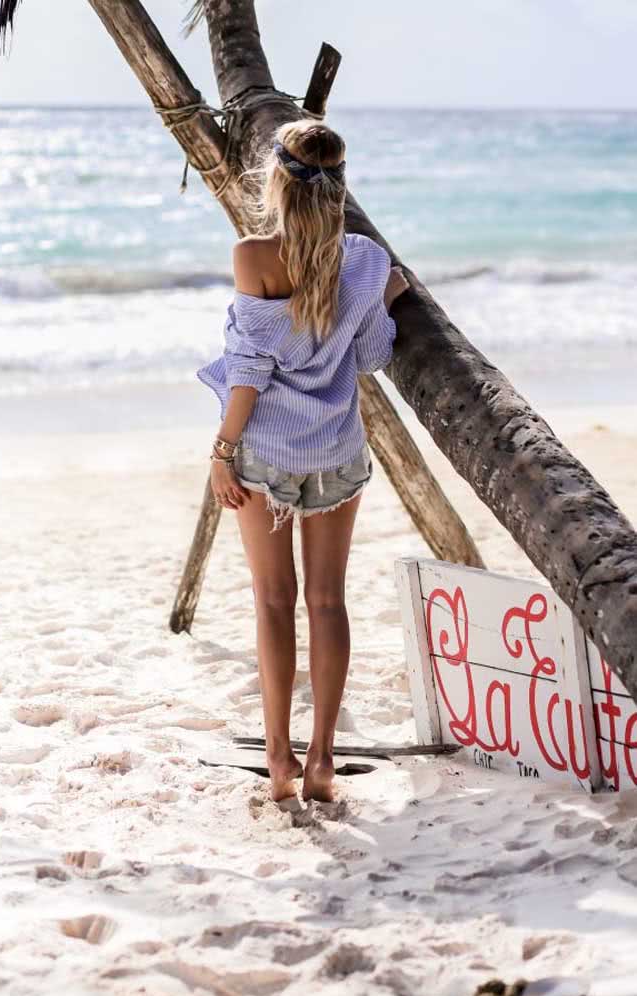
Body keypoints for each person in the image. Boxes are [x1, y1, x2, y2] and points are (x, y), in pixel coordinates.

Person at [196, 119, 409, 802]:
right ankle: (321, 760)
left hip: (264, 456)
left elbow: (250, 369)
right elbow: (373, 357)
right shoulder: (367, 261)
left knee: (271, 602)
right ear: (341, 187)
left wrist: (223, 450)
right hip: (337, 454)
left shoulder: (255, 256)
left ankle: (280, 760)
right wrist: (385, 301)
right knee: (326, 602)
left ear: (275, 182)